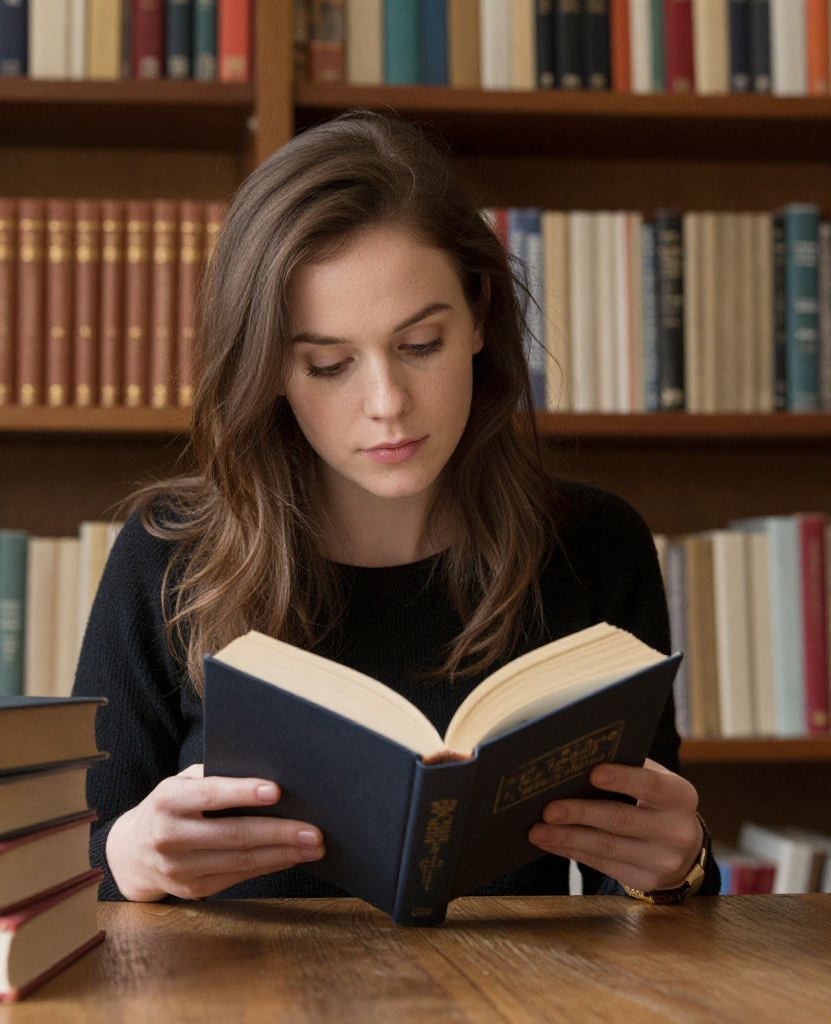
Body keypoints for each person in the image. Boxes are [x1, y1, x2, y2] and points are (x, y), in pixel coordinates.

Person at [72, 109, 719, 906]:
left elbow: (647, 886)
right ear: (269, 370)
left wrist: (679, 868)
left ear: (479, 316)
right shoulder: (168, 555)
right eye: (328, 363)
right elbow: (71, 869)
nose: (386, 403)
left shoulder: (593, 547)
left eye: (420, 347)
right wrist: (130, 860)